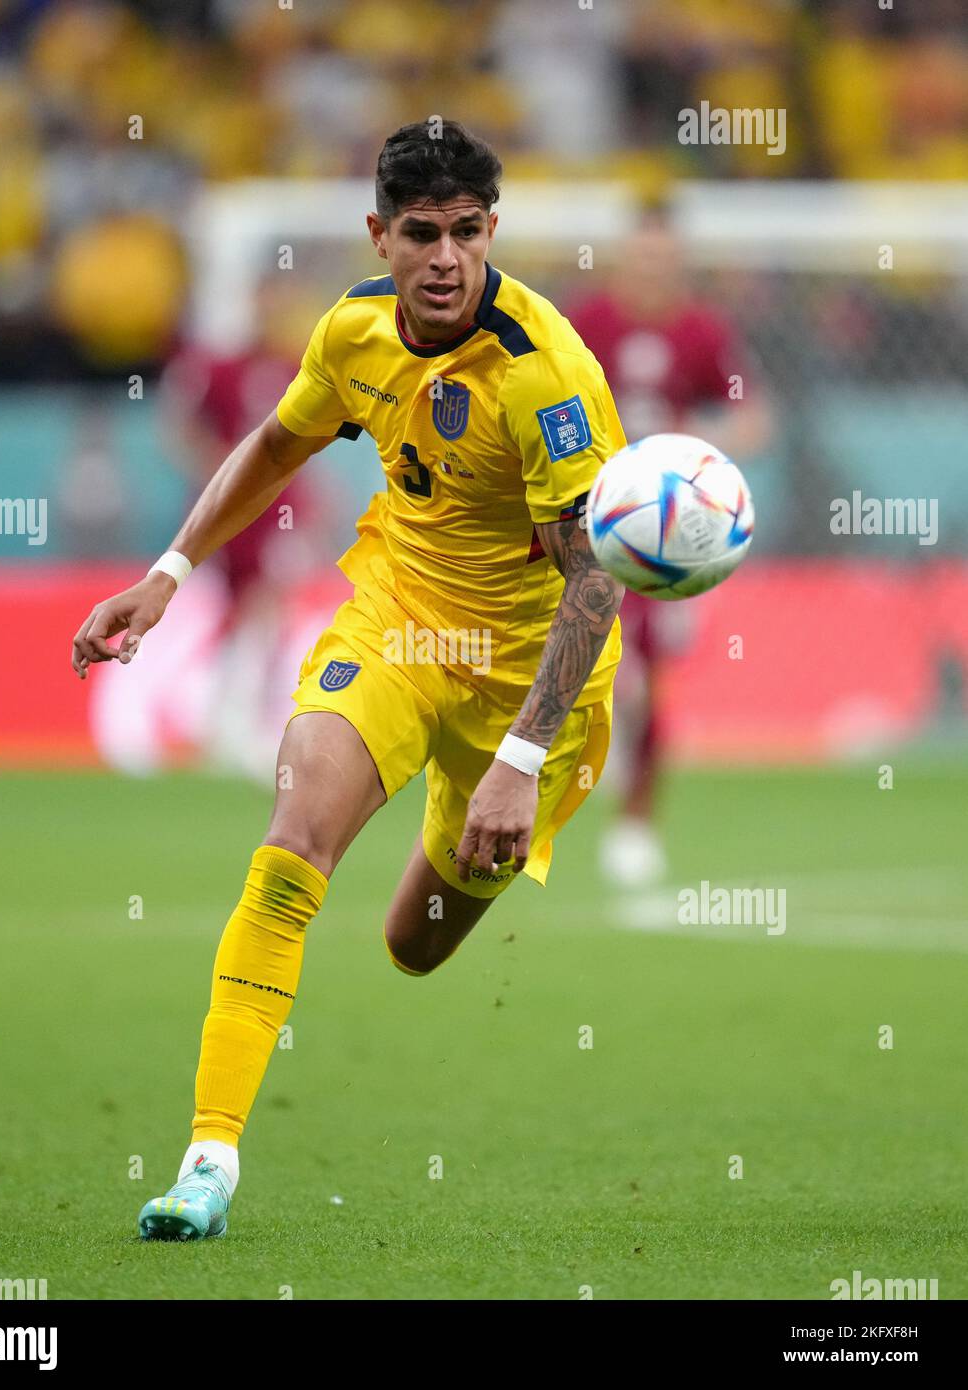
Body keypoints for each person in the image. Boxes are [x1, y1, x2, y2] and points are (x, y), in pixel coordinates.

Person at [71, 121, 627, 1242]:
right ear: (379, 235)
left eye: (468, 233)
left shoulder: (545, 372)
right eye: (420, 233)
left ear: (492, 233)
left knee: (414, 942)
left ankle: (480, 807)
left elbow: (597, 584)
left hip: (527, 680)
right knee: (289, 848)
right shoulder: (353, 332)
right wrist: (168, 572)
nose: (445, 259)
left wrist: (517, 764)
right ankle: (207, 1161)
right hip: (399, 627)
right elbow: (277, 444)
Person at [568, 207, 771, 888]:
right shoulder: (584, 324)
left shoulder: (701, 332)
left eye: (663, 258)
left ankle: (635, 822)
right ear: (624, 258)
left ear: (677, 262)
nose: (652, 268)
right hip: (577, 522)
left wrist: (701, 459)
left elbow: (754, 416)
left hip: (662, 539)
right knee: (570, 663)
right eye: (641, 256)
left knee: (647, 681)